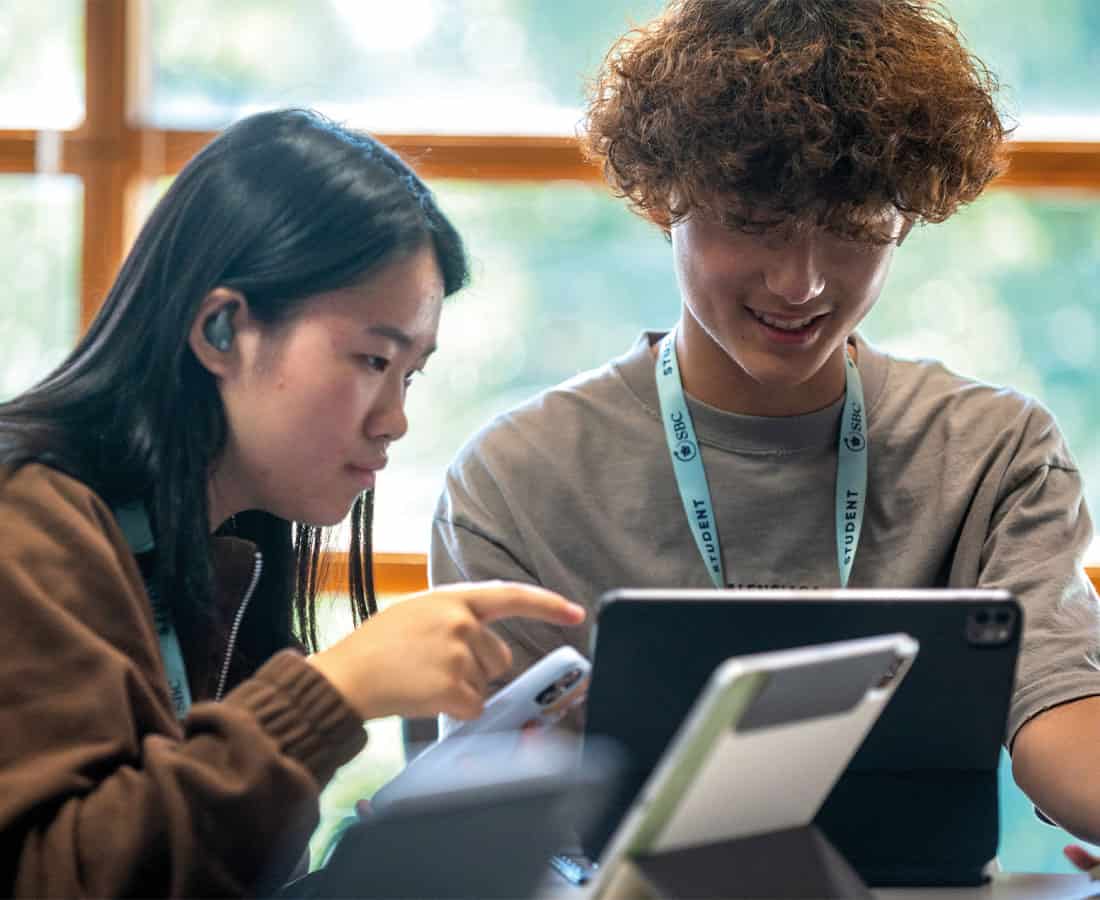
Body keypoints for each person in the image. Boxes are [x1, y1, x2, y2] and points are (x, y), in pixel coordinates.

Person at [431, 0, 1100, 850]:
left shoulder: (992, 455)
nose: (802, 284)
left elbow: (1064, 715)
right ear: (664, 192)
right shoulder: (516, 479)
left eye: (855, 229)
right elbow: (484, 818)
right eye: (753, 223)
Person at [0, 108, 584, 897]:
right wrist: (333, 694)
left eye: (410, 375)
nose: (396, 419)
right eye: (373, 359)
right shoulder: (26, 524)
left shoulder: (227, 545)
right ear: (219, 329)